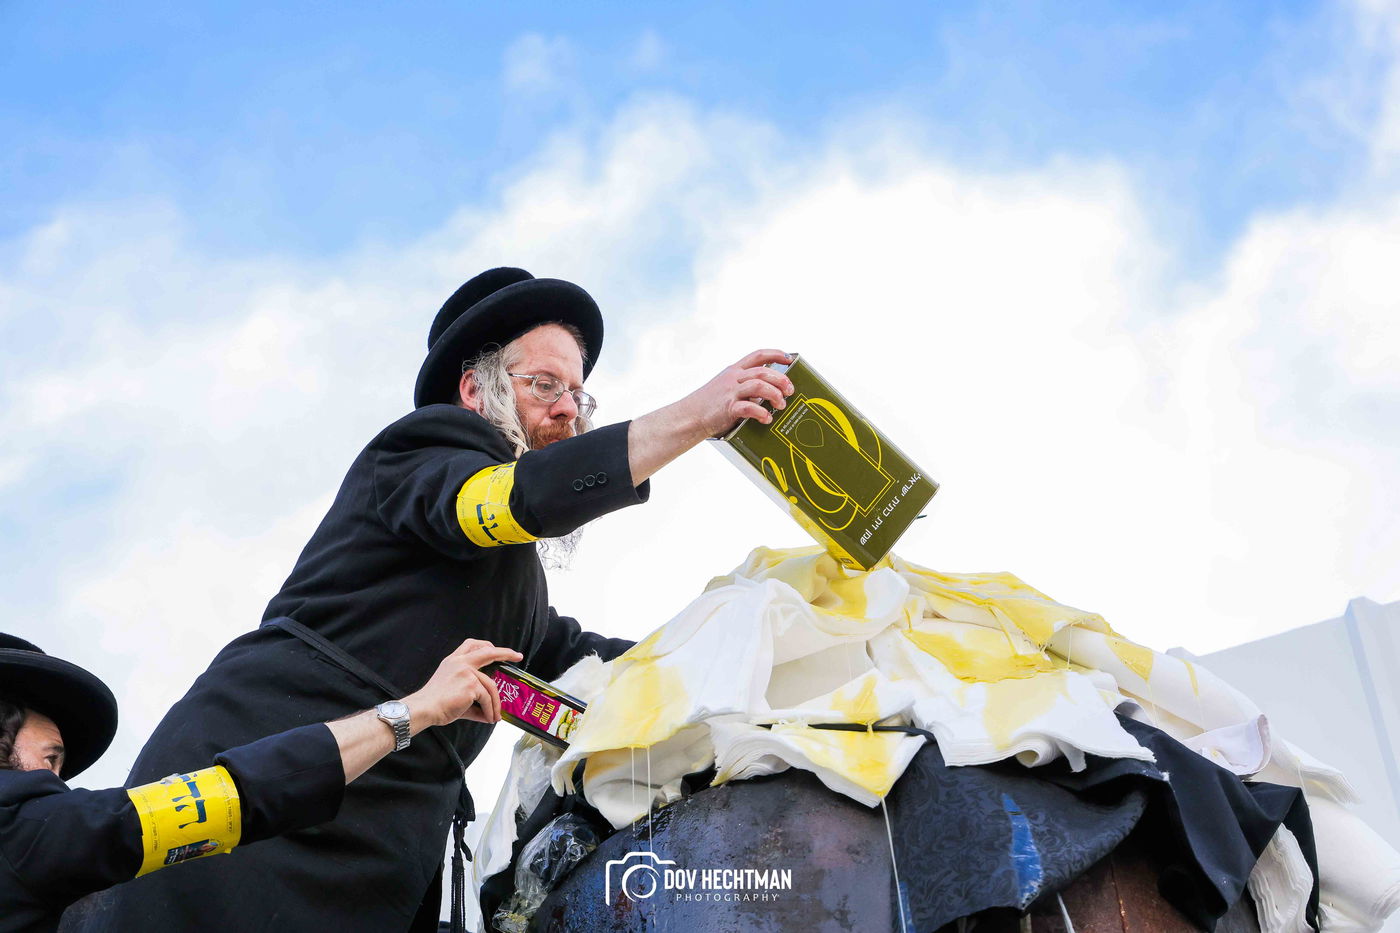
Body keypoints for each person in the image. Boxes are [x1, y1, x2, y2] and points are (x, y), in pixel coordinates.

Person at [93, 268, 794, 932]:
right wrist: (698, 416)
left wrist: (766, 648)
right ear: (473, 390)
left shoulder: (514, 599)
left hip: (380, 846)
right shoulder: (426, 452)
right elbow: (514, 498)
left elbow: (598, 669)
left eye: (578, 396)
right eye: (545, 383)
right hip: (266, 787)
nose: (566, 409)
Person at [0, 632, 522, 933]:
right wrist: (414, 712)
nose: (56, 784)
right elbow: (235, 797)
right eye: (48, 759)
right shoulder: (18, 832)